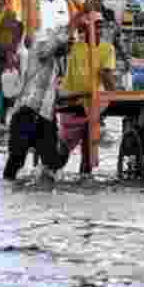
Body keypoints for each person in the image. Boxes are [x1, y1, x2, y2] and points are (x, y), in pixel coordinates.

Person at [3, 24, 71, 180]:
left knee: (54, 161)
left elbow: (54, 90)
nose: (68, 47)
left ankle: (40, 181)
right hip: (26, 113)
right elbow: (54, 44)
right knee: (16, 161)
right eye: (66, 44)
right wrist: (76, 19)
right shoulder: (40, 48)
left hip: (44, 116)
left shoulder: (57, 63)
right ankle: (10, 188)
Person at [57, 11, 117, 172]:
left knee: (88, 149)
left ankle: (85, 178)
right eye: (94, 26)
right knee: (64, 149)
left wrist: (115, 95)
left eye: (100, 26)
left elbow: (107, 75)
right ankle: (51, 170)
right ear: (84, 29)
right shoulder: (74, 47)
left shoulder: (107, 49)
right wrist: (79, 17)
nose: (98, 30)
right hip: (71, 101)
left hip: (92, 104)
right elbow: (65, 35)